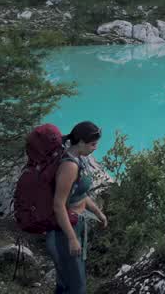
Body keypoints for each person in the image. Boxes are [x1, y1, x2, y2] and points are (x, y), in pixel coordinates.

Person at [46, 121, 108, 294]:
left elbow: (80, 195)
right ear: (80, 142)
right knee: (77, 287)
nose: (95, 148)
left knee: (66, 283)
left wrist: (98, 213)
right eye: (93, 144)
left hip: (72, 227)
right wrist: (72, 238)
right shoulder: (69, 166)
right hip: (64, 232)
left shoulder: (78, 160)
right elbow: (58, 204)